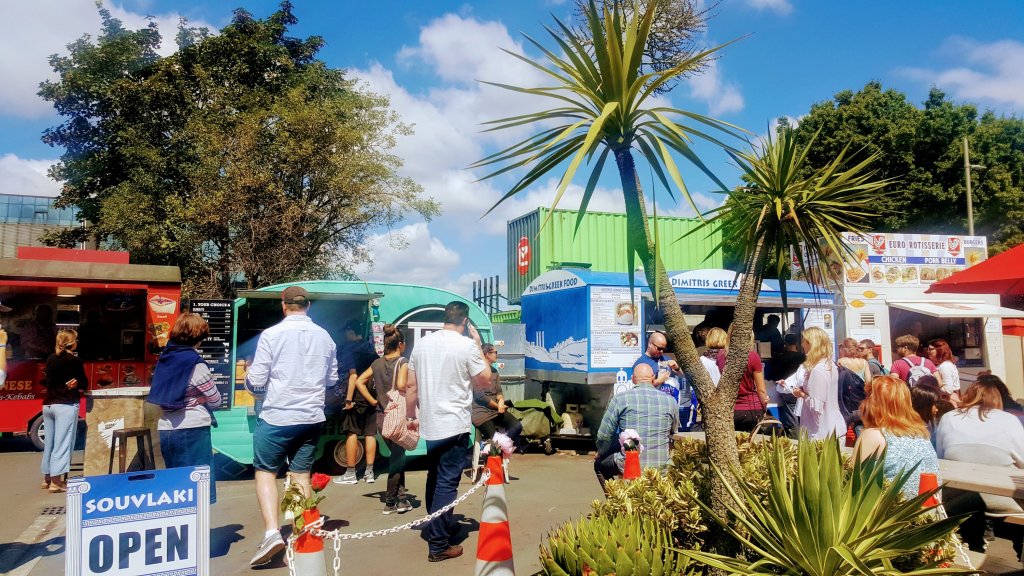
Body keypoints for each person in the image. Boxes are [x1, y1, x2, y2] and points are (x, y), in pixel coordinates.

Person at [244, 286, 340, 567]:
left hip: (278, 416)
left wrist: (251, 382)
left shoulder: (271, 335)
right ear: (308, 305)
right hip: (311, 417)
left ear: (283, 305)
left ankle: (272, 533)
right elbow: (332, 379)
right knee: (301, 475)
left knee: (265, 472)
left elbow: (257, 379)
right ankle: (302, 531)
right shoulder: (325, 337)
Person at [405, 301, 491, 563]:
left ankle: (438, 526)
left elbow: (410, 385)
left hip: (431, 423)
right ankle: (439, 544)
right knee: (447, 481)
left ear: (445, 318)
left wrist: (411, 415)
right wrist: (477, 344)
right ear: (465, 322)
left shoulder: (422, 344)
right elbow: (485, 379)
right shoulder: (466, 346)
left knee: (435, 476)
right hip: (454, 423)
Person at [148, 313, 221, 503]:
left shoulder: (165, 359)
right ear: (198, 337)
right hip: (193, 428)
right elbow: (216, 400)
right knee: (198, 487)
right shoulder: (195, 364)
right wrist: (198, 400)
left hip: (166, 428)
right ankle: (198, 531)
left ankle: (177, 528)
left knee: (175, 488)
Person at [349, 324, 412, 513]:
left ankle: (401, 500)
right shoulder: (403, 362)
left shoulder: (376, 363)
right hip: (397, 416)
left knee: (397, 457)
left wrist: (372, 400)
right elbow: (401, 383)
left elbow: (359, 380)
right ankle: (390, 502)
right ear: (400, 344)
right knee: (397, 459)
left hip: (381, 416)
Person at [593, 363, 678, 492]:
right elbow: (674, 431)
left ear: (632, 379)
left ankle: (615, 499)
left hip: (631, 464)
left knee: (599, 465)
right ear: (653, 378)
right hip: (662, 466)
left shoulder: (620, 399)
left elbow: (604, 435)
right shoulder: (670, 401)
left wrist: (602, 451)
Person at [854, 375, 941, 501]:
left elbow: (854, 487)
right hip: (929, 515)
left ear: (871, 404)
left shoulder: (874, 436)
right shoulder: (921, 434)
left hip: (892, 517)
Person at [41, 329, 87, 493]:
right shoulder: (74, 361)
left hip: (48, 405)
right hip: (65, 404)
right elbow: (84, 383)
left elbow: (46, 381)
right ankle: (56, 482)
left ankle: (47, 478)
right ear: (72, 342)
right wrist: (75, 385)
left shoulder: (51, 359)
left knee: (50, 443)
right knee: (62, 444)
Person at [335, 343, 382, 486]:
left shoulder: (350, 350)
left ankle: (350, 473)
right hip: (371, 396)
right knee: (370, 434)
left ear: (351, 331)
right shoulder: (371, 350)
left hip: (357, 397)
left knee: (352, 432)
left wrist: (349, 400)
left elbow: (353, 376)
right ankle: (369, 473)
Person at [793, 327, 846, 439]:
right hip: (834, 427)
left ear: (811, 343)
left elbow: (816, 407)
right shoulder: (829, 364)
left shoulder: (818, 369)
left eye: (804, 341)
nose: (802, 344)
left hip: (821, 433)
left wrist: (801, 394)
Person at [715, 325, 768, 432]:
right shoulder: (752, 356)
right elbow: (761, 389)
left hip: (729, 409)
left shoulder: (721, 355)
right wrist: (765, 406)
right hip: (751, 409)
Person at [473, 343, 522, 443]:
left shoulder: (494, 371)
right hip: (481, 413)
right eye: (495, 352)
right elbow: (480, 397)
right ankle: (494, 450)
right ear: (487, 354)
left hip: (496, 411)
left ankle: (503, 447)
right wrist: (498, 406)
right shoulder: (477, 371)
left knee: (517, 426)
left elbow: (499, 391)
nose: (497, 354)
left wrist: (501, 401)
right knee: (495, 438)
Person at [772, 333, 806, 435]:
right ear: (796, 343)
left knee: (792, 420)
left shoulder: (779, 358)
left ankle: (795, 439)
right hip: (802, 390)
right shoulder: (803, 357)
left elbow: (773, 375)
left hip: (786, 390)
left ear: (785, 343)